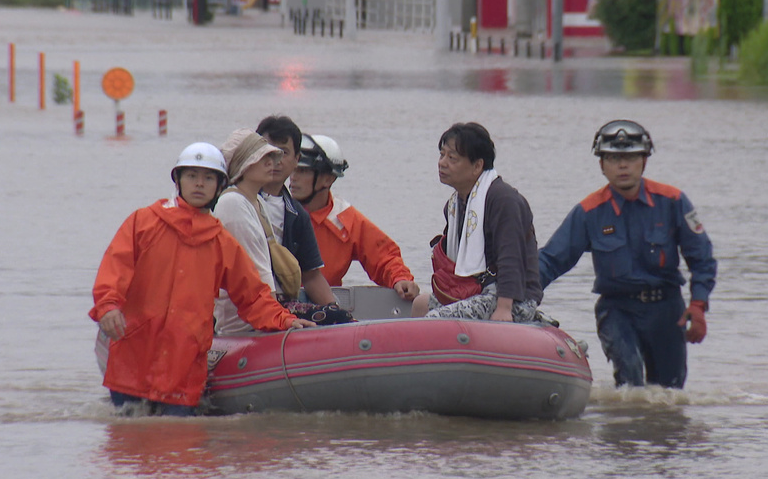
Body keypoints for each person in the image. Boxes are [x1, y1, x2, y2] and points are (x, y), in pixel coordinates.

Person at [89, 142, 314, 416]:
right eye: (192, 176)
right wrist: (109, 307)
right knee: (127, 448)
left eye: (208, 178)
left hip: (183, 367)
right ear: (178, 180)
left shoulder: (222, 242)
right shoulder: (143, 222)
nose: (199, 184)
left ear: (219, 186)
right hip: (133, 358)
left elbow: (252, 297)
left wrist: (285, 320)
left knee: (182, 450)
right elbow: (115, 269)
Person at [537, 119, 717, 389]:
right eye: (613, 158)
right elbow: (551, 260)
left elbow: (702, 257)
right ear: (601, 165)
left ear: (644, 161)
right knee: (630, 378)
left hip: (667, 311)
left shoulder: (673, 201)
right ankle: (622, 430)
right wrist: (514, 296)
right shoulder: (588, 212)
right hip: (617, 310)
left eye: (631, 157)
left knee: (669, 393)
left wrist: (699, 305)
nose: (623, 166)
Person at [213, 129, 353, 333]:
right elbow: (253, 273)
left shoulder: (257, 202)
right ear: (244, 164)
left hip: (271, 307)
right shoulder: (232, 203)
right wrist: (279, 316)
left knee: (337, 315)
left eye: (273, 157)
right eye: (263, 158)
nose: (272, 163)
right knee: (336, 318)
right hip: (248, 317)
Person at [411, 122, 544, 322]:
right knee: (420, 305)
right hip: (474, 291)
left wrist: (504, 308)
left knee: (435, 319)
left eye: (452, 158)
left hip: (512, 298)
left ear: (477, 166)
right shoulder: (455, 205)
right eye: (442, 155)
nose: (442, 163)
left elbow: (511, 257)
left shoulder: (504, 200)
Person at [289, 133, 420, 300]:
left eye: (303, 170)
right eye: (293, 169)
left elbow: (384, 257)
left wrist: (400, 279)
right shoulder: (274, 210)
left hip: (323, 305)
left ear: (328, 179)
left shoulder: (344, 220)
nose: (293, 177)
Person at [255, 115, 338, 307]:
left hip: (281, 306)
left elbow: (311, 276)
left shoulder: (297, 214)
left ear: (296, 160)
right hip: (242, 306)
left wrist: (338, 316)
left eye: (283, 152)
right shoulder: (234, 200)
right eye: (267, 151)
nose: (275, 160)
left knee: (336, 317)